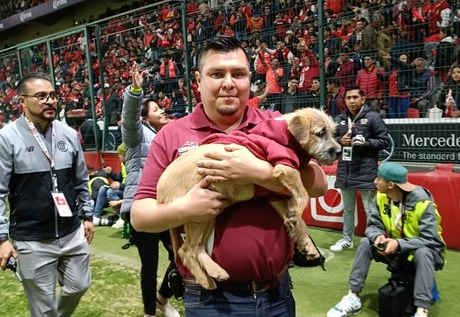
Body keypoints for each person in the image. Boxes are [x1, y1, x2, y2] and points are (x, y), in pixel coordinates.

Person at [130, 36, 327, 316]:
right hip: (210, 300)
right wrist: (186, 208)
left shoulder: (273, 123)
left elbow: (318, 183)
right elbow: (140, 216)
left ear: (250, 78)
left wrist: (256, 172)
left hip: (277, 295)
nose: (229, 83)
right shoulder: (171, 135)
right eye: (216, 74)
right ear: (198, 80)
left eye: (238, 74)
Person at [0, 72, 94, 316]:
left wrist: (88, 216)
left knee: (79, 286)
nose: (50, 101)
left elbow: (81, 180)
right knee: (44, 307)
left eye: (52, 96)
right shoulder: (6, 138)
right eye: (41, 96)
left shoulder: (68, 134)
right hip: (33, 239)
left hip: (71, 232)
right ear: (22, 101)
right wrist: (2, 239)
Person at [327, 162, 445, 317]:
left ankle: (421, 310)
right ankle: (352, 297)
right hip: (397, 249)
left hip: (426, 252)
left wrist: (398, 243)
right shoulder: (382, 197)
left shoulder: (422, 202)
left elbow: (431, 239)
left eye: (379, 178)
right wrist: (378, 236)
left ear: (390, 184)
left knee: (423, 253)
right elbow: (372, 225)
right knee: (365, 243)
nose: (375, 181)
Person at [120, 62, 179, 317]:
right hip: (141, 206)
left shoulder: (166, 136)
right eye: (156, 108)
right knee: (150, 265)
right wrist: (135, 90)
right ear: (144, 117)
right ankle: (149, 313)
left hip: (164, 206)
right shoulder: (135, 134)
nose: (162, 110)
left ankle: (162, 296)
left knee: (181, 255)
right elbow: (129, 117)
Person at [330, 86, 389, 252]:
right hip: (345, 169)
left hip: (366, 170)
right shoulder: (340, 118)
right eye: (348, 98)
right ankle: (347, 240)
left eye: (355, 97)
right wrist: (341, 140)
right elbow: (332, 139)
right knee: (348, 210)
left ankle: (373, 240)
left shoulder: (373, 117)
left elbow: (385, 141)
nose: (352, 101)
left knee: (370, 210)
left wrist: (366, 143)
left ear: (363, 99)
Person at [93, 143, 126, 226]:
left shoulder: (133, 165)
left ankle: (123, 217)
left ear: (125, 155)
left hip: (130, 191)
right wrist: (111, 173)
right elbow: (120, 178)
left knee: (111, 192)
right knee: (103, 189)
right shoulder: (123, 164)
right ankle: (96, 217)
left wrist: (120, 186)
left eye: (120, 154)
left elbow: (136, 185)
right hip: (125, 189)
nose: (118, 156)